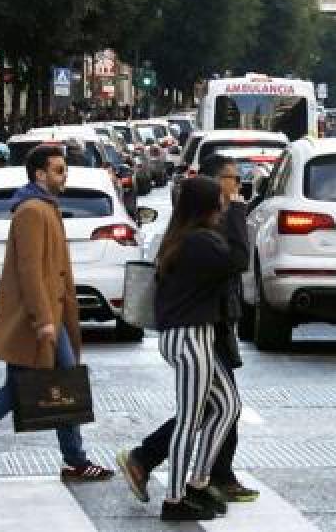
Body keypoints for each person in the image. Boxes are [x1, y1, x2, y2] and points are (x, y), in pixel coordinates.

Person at [0, 145, 115, 486]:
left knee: (60, 382)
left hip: (52, 314)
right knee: (29, 387)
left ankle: (74, 459)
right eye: (59, 170)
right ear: (39, 175)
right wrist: (43, 318)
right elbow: (29, 271)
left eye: (65, 169)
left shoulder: (44, 207)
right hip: (39, 318)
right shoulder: (32, 211)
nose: (65, 175)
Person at [117, 156, 260, 508]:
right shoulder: (198, 241)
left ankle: (198, 479)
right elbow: (239, 259)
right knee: (190, 419)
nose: (226, 201)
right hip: (188, 336)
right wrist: (239, 211)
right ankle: (176, 498)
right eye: (220, 201)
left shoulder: (193, 236)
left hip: (198, 336)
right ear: (206, 206)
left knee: (226, 406)